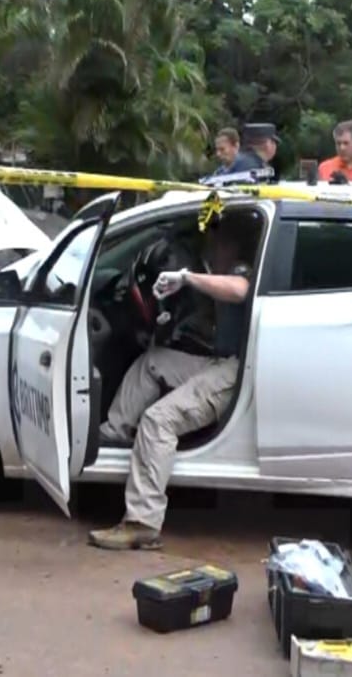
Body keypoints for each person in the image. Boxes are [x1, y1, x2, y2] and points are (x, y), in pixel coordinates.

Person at [89, 222, 253, 550]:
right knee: (154, 361)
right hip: (219, 362)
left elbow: (238, 289)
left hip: (237, 373)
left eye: (217, 244)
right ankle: (116, 430)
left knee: (158, 420)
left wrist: (187, 278)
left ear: (232, 247)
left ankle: (142, 523)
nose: (211, 250)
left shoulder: (242, 269)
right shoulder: (213, 273)